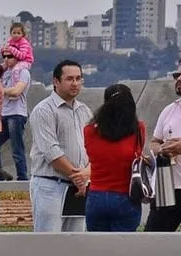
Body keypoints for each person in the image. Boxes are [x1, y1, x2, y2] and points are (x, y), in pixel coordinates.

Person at [28, 59, 91, 233]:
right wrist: (78, 177)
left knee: (76, 244)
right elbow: (51, 152)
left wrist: (86, 174)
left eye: (79, 79)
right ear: (56, 82)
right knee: (49, 244)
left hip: (78, 188)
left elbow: (93, 148)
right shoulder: (44, 110)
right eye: (70, 79)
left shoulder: (84, 111)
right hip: (50, 186)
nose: (75, 83)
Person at [82, 84, 146, 232]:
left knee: (98, 248)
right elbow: (137, 155)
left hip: (96, 196)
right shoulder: (138, 129)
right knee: (123, 249)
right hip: (126, 196)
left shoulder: (89, 131)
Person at [144, 66, 181, 232]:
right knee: (153, 239)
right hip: (167, 186)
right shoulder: (169, 109)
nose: (179, 79)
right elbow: (154, 142)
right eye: (177, 75)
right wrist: (161, 149)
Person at [0, 46, 32, 180]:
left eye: (10, 56)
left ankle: (22, 177)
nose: (6, 59)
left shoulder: (23, 72)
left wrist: (0, 90)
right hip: (4, 114)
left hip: (17, 114)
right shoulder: (5, 73)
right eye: (4, 56)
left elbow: (17, 91)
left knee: (17, 148)